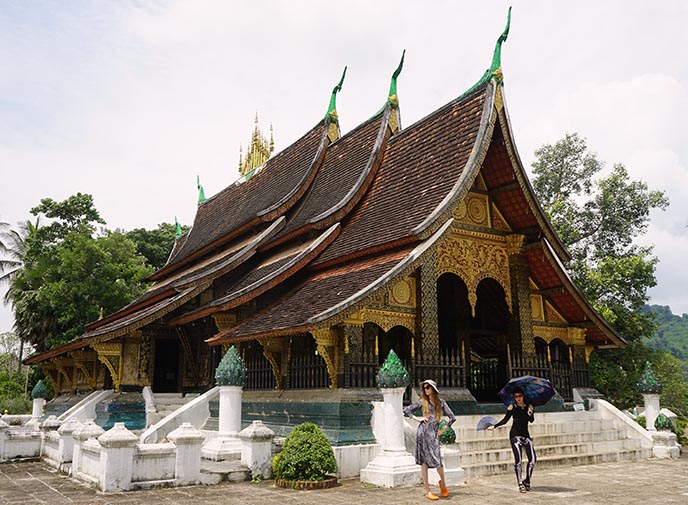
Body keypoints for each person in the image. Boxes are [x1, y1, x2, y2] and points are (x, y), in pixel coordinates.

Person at [403, 379, 456, 500]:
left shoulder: (441, 403)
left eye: (428, 387)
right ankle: (428, 490)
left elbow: (452, 418)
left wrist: (442, 431)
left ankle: (443, 484)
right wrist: (418, 419)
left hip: (434, 435)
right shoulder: (422, 402)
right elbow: (406, 410)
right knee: (424, 463)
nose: (426, 390)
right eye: (424, 388)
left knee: (438, 462)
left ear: (433, 389)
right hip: (422, 434)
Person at [487, 387, 536, 492]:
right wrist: (494, 426)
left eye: (520, 396)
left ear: (523, 396)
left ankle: (527, 481)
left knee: (532, 460)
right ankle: (520, 484)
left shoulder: (529, 406)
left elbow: (531, 420)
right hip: (515, 436)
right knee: (518, 460)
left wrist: (530, 412)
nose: (518, 398)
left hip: (526, 436)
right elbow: (505, 420)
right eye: (516, 396)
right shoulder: (512, 407)